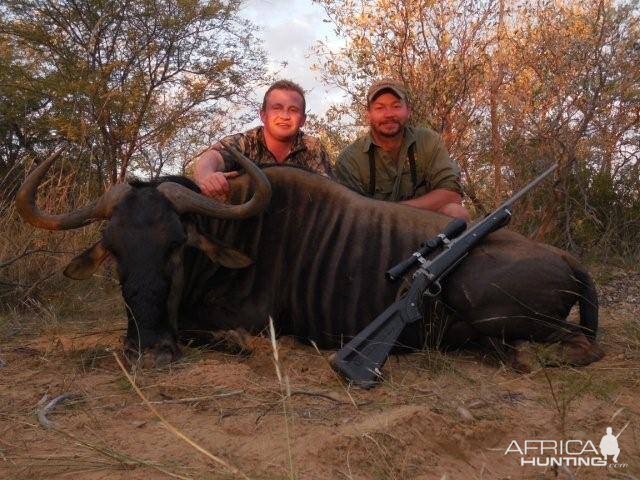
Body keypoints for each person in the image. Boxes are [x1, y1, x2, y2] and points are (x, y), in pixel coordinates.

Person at [335, 79, 469, 221]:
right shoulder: (349, 160)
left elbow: (452, 195)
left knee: (457, 212)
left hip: (425, 229)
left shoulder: (428, 141)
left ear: (408, 111)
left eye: (396, 106)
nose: (389, 114)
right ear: (368, 114)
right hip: (376, 233)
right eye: (380, 108)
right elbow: (350, 216)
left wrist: (396, 212)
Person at [194, 80, 333, 200]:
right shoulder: (247, 141)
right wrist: (207, 178)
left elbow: (328, 191)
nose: (284, 116)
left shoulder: (312, 146)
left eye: (293, 110)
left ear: (302, 120)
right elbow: (213, 157)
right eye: (277, 108)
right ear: (263, 115)